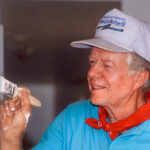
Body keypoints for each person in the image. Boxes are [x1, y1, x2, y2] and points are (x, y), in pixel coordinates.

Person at [1, 8, 150, 150]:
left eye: (107, 65)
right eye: (92, 62)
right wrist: (10, 137)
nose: (92, 72)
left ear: (139, 78)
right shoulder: (72, 119)